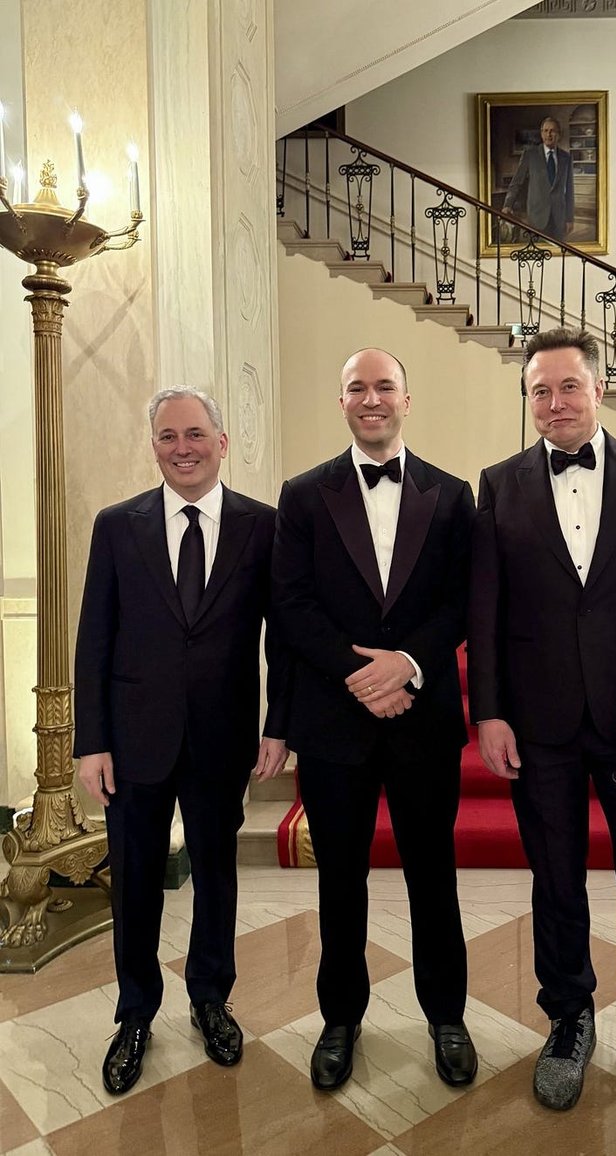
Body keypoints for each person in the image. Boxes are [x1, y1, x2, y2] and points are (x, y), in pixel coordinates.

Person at [468, 327, 616, 1127]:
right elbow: (486, 610)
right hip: (537, 722)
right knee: (555, 879)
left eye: (568, 386)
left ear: (598, 390)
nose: (554, 402)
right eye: (539, 391)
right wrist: (489, 712)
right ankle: (569, 1019)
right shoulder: (498, 483)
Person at [271, 347, 478, 1093]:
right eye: (356, 387)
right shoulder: (303, 495)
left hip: (423, 720)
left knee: (433, 876)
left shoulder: (452, 495)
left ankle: (446, 1016)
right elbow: (290, 604)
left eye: (384, 385)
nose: (371, 398)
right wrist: (362, 676)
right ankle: (340, 1018)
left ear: (406, 399)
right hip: (336, 720)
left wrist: (408, 664)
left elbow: (463, 600)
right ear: (342, 402)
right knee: (340, 881)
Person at [74, 387, 290, 1096]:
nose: (182, 448)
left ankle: (210, 998)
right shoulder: (118, 526)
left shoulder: (262, 525)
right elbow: (95, 637)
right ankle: (135, 1013)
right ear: (154, 447)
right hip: (133, 739)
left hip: (221, 737)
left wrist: (278, 724)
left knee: (217, 875)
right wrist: (91, 742)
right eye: (168, 437)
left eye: (195, 434)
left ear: (222, 444)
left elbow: (283, 637)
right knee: (135, 882)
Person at [502, 115, 575, 243]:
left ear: (559, 134)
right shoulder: (530, 155)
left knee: (558, 252)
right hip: (537, 216)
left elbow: (569, 190)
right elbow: (516, 183)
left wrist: (569, 218)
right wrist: (508, 205)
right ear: (541, 134)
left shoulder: (566, 158)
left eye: (552, 131)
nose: (549, 134)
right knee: (537, 252)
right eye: (545, 131)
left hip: (559, 218)